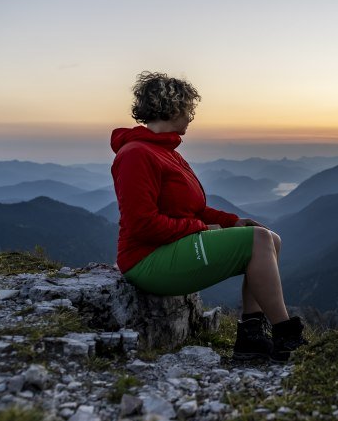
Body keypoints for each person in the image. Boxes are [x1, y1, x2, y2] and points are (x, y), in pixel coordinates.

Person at [110, 71, 306, 363]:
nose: (190, 117)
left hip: (168, 247)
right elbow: (143, 224)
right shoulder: (136, 155)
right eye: (188, 109)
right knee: (259, 241)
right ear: (171, 107)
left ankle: (251, 335)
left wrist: (233, 222)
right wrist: (200, 228)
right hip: (146, 260)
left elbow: (195, 208)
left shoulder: (168, 153)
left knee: (269, 239)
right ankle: (284, 334)